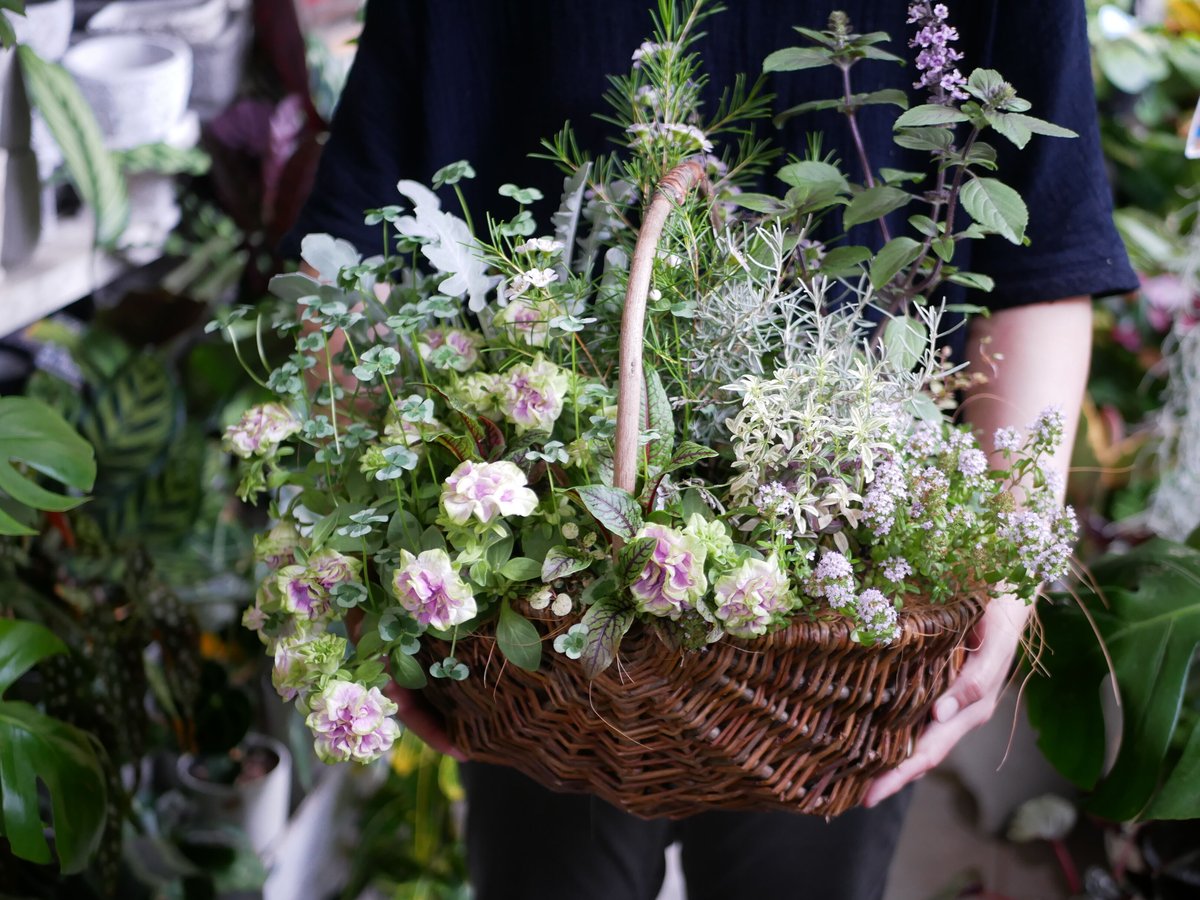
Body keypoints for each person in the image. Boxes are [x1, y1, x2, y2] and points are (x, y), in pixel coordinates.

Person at [286, 2, 1137, 898]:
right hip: (530, 612)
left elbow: (1043, 249)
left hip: (844, 641)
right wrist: (367, 551)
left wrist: (1004, 573)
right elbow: (352, 244)